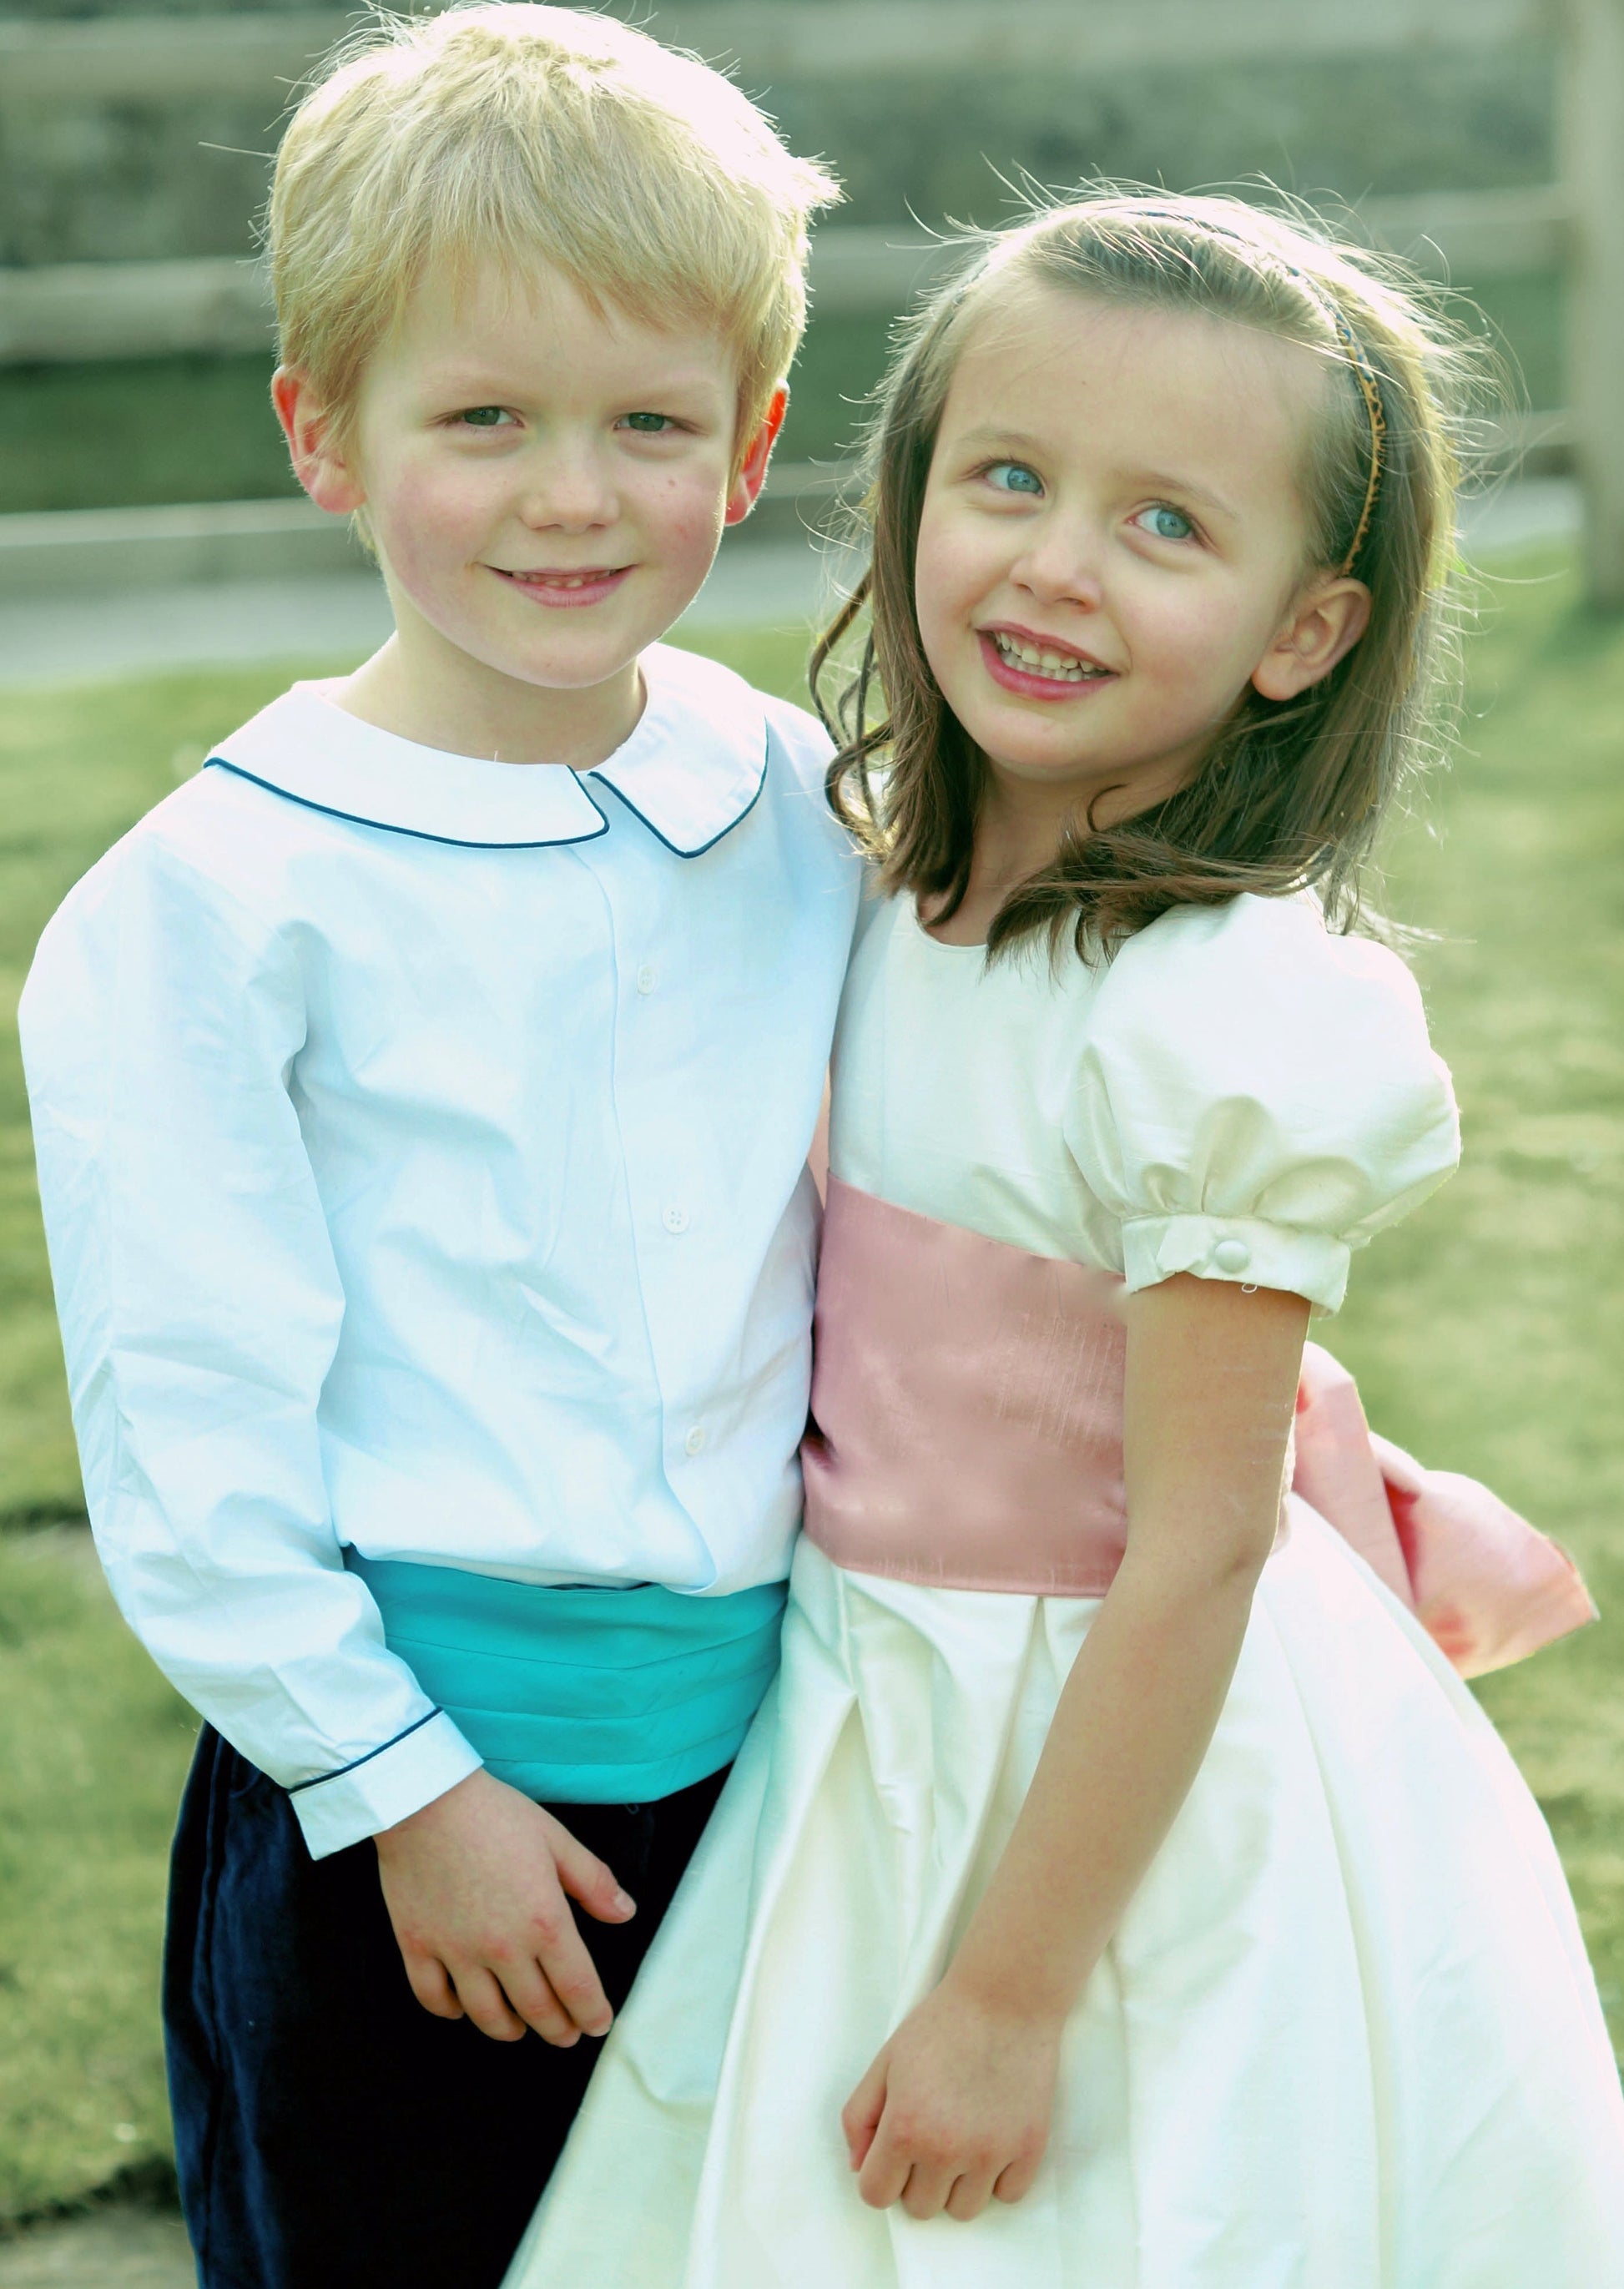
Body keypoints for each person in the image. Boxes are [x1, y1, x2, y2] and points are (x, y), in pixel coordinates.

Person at [506, 192, 1624, 2286]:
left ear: (1306, 632)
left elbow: (1194, 1542)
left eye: (1167, 525)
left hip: (1092, 1745)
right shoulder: (865, 882)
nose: (1053, 561)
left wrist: (1012, 1996)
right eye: (1006, 478)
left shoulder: (1210, 1013)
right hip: (862, 1688)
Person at [17, 10, 856, 2286]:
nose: (569, 494)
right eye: (482, 420)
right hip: (412, 1814)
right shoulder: (216, 906)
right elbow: (191, 1426)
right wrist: (395, 1786)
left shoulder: (797, 800)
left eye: (647, 425)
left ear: (753, 439)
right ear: (324, 433)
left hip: (777, 1769)